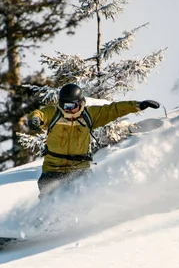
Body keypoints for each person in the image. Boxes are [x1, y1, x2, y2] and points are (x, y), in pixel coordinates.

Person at [27, 83, 160, 199]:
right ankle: (43, 224)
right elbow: (40, 113)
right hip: (53, 168)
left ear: (79, 103)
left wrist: (137, 105)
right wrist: (35, 119)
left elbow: (113, 109)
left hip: (79, 168)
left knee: (85, 194)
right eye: (64, 105)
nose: (67, 109)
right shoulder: (55, 113)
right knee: (48, 196)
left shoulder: (89, 115)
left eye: (71, 105)